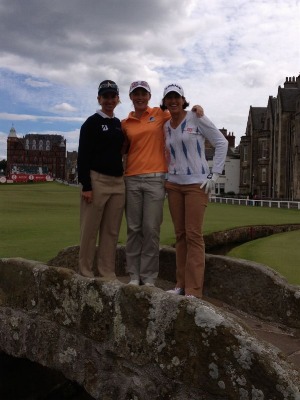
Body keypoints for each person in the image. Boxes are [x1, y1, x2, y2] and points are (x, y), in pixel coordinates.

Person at [121, 81, 203, 287]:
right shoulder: (125, 123)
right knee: (133, 228)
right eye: (135, 94)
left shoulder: (160, 114)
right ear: (131, 97)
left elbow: (182, 115)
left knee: (150, 228)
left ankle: (148, 277)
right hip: (131, 178)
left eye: (143, 94)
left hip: (156, 179)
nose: (139, 97)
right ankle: (133, 274)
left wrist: (196, 109)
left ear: (149, 96)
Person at [161, 83, 228, 298]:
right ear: (164, 101)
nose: (173, 101)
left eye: (176, 97)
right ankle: (181, 284)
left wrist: (214, 175)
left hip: (196, 185)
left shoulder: (195, 117)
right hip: (173, 184)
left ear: (183, 99)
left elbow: (221, 142)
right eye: (169, 97)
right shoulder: (166, 125)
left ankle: (194, 290)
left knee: (194, 236)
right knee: (180, 235)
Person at [77, 80, 125, 279]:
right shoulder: (91, 123)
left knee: (111, 231)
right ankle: (85, 271)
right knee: (90, 230)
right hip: (97, 181)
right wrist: (86, 185)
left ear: (117, 99)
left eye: (112, 96)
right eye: (105, 96)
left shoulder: (117, 124)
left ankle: (106, 272)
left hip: (118, 182)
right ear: (99, 98)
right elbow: (83, 156)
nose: (109, 100)